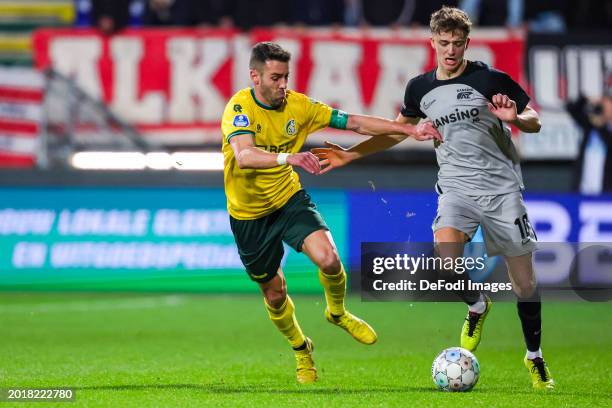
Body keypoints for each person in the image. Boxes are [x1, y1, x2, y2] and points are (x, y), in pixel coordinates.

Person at [312, 6, 555, 390]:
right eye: (444, 43)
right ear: (433, 42)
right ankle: (477, 304)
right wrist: (348, 154)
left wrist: (515, 120)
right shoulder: (419, 89)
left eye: (458, 43)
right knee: (445, 261)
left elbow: (535, 120)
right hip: (455, 188)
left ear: (467, 43)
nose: (451, 51)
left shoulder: (491, 78)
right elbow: (396, 132)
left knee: (524, 284)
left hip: (501, 189)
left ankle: (534, 357)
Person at [221, 42, 440, 384]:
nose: (283, 84)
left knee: (329, 260)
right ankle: (300, 348)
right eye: (275, 78)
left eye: (286, 77)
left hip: (287, 198)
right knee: (275, 292)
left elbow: (353, 122)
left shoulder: (300, 106)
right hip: (248, 216)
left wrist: (408, 129)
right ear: (255, 76)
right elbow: (245, 156)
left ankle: (337, 312)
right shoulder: (239, 108)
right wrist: (289, 158)